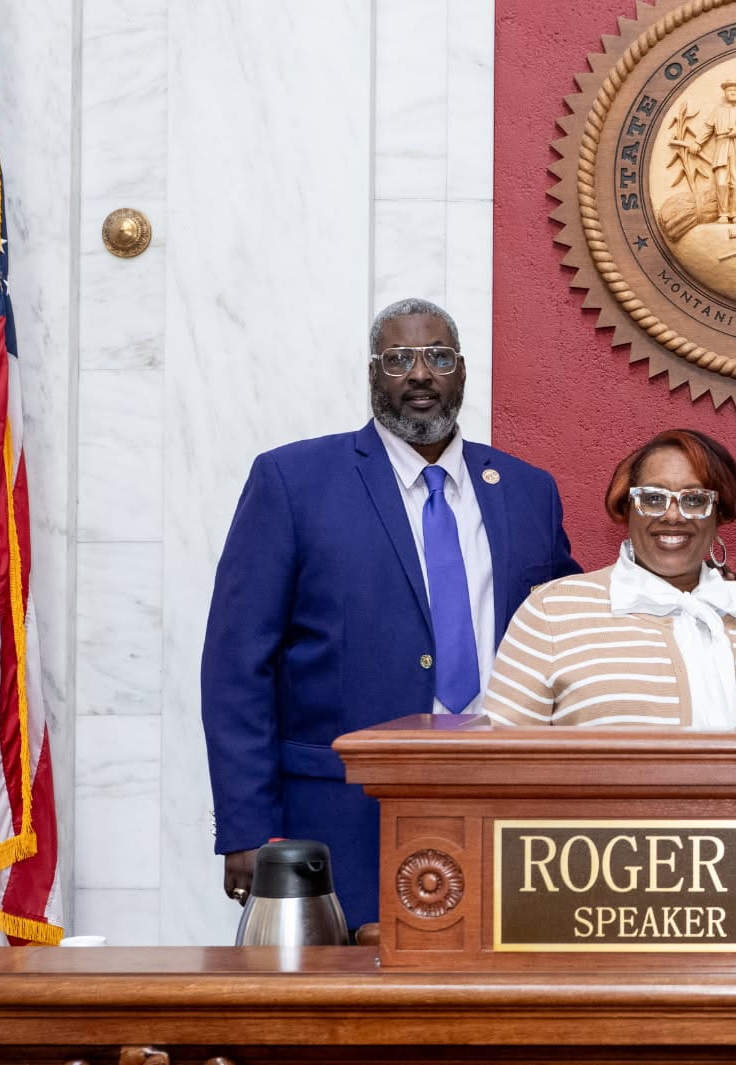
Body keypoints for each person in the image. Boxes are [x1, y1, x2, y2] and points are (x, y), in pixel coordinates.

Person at [200, 297, 579, 932]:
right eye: (399, 358)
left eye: (439, 357)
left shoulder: (526, 490)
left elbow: (570, 631)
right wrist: (247, 827)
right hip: (337, 821)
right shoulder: (294, 482)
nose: (421, 374)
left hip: (503, 810)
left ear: (461, 372)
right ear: (374, 374)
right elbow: (238, 668)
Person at [485, 429, 736, 727]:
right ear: (626, 507)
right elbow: (500, 761)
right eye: (654, 499)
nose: (673, 515)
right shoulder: (552, 613)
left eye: (695, 499)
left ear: (720, 513)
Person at [698, 78, 736, 224]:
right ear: (725, 93)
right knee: (721, 183)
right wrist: (697, 142)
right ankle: (723, 214)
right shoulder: (718, 111)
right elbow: (707, 128)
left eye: (735, 91)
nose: (732, 93)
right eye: (730, 91)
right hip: (722, 147)